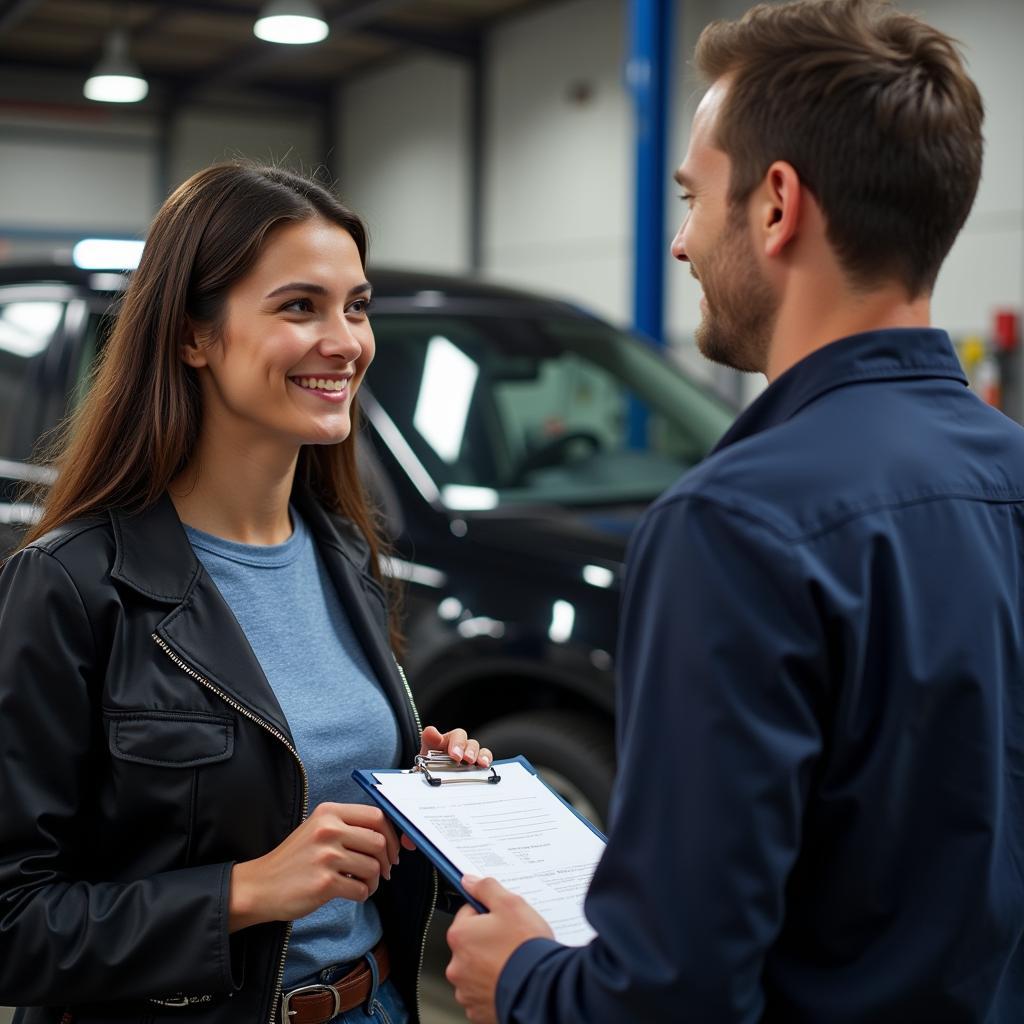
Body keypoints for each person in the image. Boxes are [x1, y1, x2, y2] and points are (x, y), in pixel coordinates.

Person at [445, 0, 1024, 1021]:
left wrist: (523, 978)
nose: (679, 244)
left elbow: (671, 994)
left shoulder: (733, 524)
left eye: (691, 197)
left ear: (775, 206)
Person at [0, 162, 492, 1024]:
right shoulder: (69, 588)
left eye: (357, 305)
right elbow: (12, 925)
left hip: (372, 1006)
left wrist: (421, 795)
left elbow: (313, 800)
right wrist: (242, 891)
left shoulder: (342, 554)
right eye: (299, 307)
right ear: (193, 336)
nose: (345, 340)